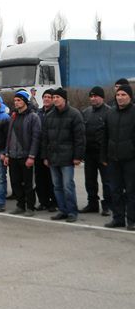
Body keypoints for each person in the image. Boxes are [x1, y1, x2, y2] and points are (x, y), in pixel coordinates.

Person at [41, 87, 85, 222]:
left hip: (67, 157)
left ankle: (72, 211)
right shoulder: (49, 116)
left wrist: (78, 156)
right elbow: (45, 139)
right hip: (53, 157)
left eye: (57, 97)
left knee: (67, 186)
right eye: (53, 97)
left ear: (64, 99)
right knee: (57, 186)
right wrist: (45, 156)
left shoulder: (74, 114)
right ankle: (62, 210)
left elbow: (80, 138)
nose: (55, 100)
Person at [102, 84, 135, 230]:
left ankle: (132, 220)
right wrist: (104, 155)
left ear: (130, 97)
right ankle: (118, 218)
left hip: (130, 159)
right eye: (118, 95)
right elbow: (104, 136)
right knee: (115, 190)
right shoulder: (110, 113)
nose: (120, 98)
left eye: (124, 95)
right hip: (113, 159)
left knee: (131, 191)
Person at [3, 90, 41, 216]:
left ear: (25, 101)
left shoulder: (33, 117)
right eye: (15, 100)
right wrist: (7, 153)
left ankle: (30, 207)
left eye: (19, 100)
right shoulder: (13, 116)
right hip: (13, 155)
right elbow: (8, 136)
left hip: (26, 156)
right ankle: (20, 205)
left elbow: (36, 138)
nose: (16, 102)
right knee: (15, 182)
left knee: (28, 183)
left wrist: (31, 156)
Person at [80, 86, 111, 215]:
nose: (93, 99)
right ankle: (92, 203)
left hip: (104, 153)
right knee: (90, 180)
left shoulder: (110, 112)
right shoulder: (86, 112)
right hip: (89, 153)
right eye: (91, 96)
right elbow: (81, 133)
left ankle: (108, 205)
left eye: (96, 96)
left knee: (107, 181)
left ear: (102, 97)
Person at [35, 89, 57, 212]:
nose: (47, 99)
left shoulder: (56, 113)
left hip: (52, 152)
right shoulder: (38, 113)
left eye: (49, 97)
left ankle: (54, 202)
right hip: (39, 151)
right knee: (40, 179)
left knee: (52, 179)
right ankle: (43, 201)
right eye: (45, 96)